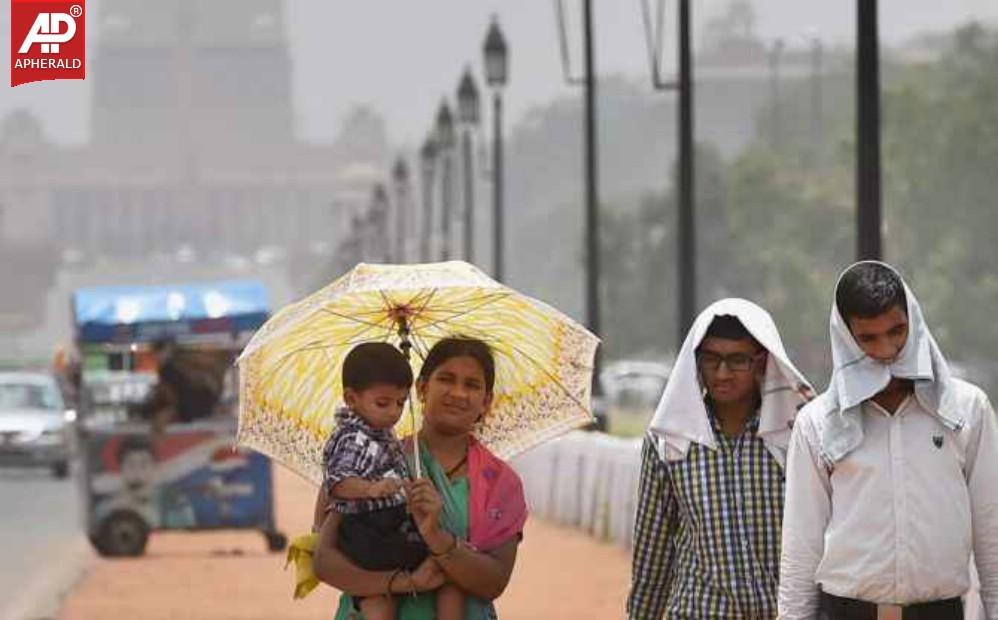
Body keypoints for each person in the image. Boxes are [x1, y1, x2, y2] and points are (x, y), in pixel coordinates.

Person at [779, 261, 998, 619]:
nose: (888, 349)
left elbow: (992, 531)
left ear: (913, 320)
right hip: (845, 610)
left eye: (897, 330)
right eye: (869, 338)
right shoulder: (817, 424)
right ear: (847, 337)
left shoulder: (966, 410)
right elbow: (801, 546)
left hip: (939, 612)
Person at [313, 337, 528, 620]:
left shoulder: (500, 483)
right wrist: (405, 583)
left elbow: (494, 582)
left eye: (472, 385)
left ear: (486, 401)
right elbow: (325, 561)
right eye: (446, 379)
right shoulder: (369, 461)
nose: (458, 393)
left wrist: (437, 537)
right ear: (422, 388)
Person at [627, 299, 814, 619]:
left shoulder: (796, 433)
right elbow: (652, 553)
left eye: (737, 360)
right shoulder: (668, 441)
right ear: (695, 362)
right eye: (711, 359)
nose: (722, 373)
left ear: (762, 362)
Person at [312, 342, 462, 620]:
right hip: (369, 530)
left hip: (386, 523)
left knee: (449, 574)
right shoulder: (353, 438)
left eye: (401, 403)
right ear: (351, 398)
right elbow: (338, 483)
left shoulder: (380, 432)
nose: (394, 412)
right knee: (383, 600)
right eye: (383, 403)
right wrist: (371, 489)